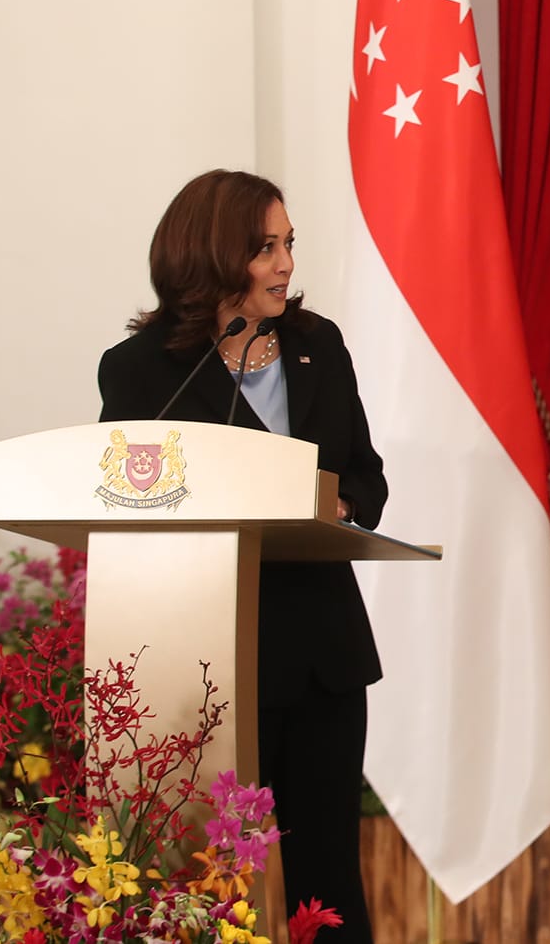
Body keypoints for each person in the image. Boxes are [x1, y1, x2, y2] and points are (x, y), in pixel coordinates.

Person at [97, 169, 383, 944]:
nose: (286, 262)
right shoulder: (139, 369)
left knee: (327, 885)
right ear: (215, 254)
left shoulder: (317, 344)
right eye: (265, 247)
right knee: (201, 883)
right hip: (199, 671)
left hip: (321, 658)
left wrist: (341, 504)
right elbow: (123, 503)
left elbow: (367, 474)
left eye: (289, 243)